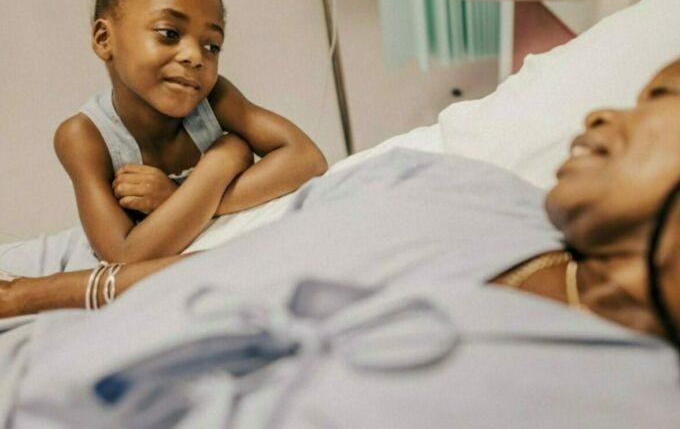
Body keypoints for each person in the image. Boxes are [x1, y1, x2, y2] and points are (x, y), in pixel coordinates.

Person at [2, 60, 680, 426]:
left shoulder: (639, 401)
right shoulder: (453, 187)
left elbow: (301, 157)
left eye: (661, 98)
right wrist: (43, 292)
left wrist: (209, 172)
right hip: (47, 324)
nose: (602, 111)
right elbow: (246, 262)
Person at [0, 0, 327, 271]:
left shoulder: (215, 98)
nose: (195, 56)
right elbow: (124, 258)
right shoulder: (82, 137)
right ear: (103, 38)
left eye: (211, 45)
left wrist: (176, 200)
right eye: (169, 34)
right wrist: (220, 163)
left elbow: (307, 159)